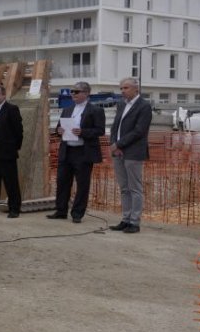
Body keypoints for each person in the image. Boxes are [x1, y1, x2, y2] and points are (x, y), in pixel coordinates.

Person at [48, 81, 106, 224]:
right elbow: (58, 128)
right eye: (72, 92)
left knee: (82, 184)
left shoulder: (95, 110)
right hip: (67, 150)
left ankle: (77, 213)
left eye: (76, 92)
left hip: (83, 152)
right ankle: (61, 211)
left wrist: (83, 132)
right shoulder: (67, 109)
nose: (73, 94)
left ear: (86, 93)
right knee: (62, 182)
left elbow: (100, 130)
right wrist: (59, 131)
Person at [109, 77, 151, 234]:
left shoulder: (144, 106)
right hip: (118, 152)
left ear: (136, 89)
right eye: (121, 88)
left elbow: (139, 131)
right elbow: (115, 127)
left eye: (126, 88)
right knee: (124, 188)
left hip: (133, 152)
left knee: (135, 188)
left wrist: (119, 144)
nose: (122, 91)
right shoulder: (121, 105)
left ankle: (135, 222)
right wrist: (114, 144)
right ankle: (125, 219)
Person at [0, 85, 24, 218]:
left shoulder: (11, 109)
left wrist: (13, 147)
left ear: (3, 95)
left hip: (6, 151)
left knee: (10, 181)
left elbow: (18, 132)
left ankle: (14, 208)